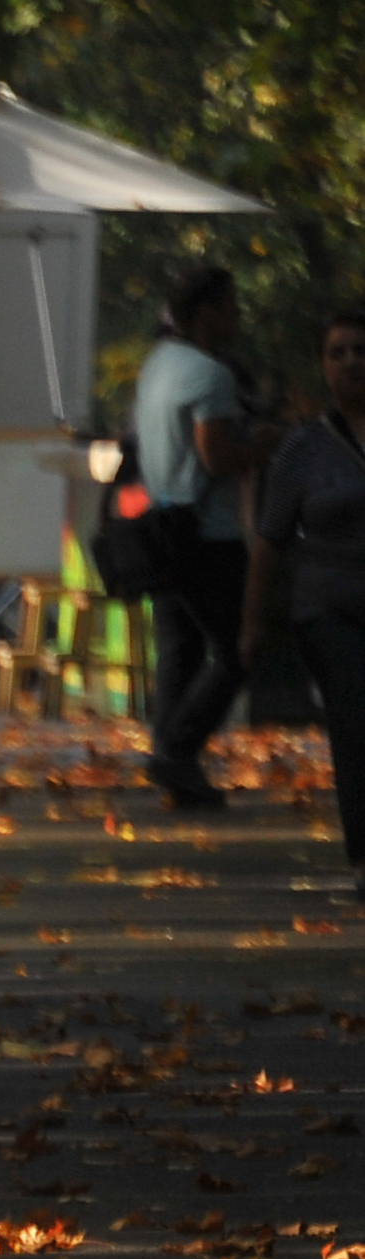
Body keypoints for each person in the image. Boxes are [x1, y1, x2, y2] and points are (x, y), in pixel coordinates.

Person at [135, 265, 264, 813]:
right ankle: (180, 749)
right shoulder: (211, 375)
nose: (238, 315)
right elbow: (216, 456)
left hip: (159, 523)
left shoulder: (159, 363)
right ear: (208, 313)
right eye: (232, 304)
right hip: (207, 533)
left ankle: (172, 759)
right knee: (241, 646)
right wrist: (266, 444)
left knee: (180, 647)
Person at [248, 307, 365, 897]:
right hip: (329, 608)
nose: (349, 364)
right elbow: (269, 540)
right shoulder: (303, 449)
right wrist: (252, 622)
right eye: (336, 353)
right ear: (322, 366)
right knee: (353, 719)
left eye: (359, 351)